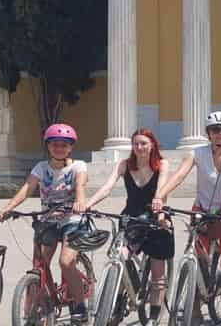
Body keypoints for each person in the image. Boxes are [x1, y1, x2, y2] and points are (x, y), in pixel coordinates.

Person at [0, 124, 89, 323]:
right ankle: (37, 306)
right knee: (39, 265)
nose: (59, 148)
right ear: (48, 146)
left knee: (65, 262)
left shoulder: (78, 166)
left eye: (64, 145)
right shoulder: (41, 168)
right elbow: (26, 188)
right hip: (48, 220)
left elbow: (80, 184)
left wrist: (80, 201)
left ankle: (80, 305)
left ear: (70, 148)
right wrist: (8, 207)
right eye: (55, 144)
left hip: (72, 220)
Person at [84, 129, 174, 324]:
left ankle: (155, 314)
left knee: (158, 271)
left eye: (144, 143)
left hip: (155, 217)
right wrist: (88, 204)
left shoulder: (162, 165)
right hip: (131, 218)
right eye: (136, 144)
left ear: (152, 146)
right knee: (121, 256)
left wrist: (159, 210)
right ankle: (117, 301)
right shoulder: (124, 165)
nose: (139, 147)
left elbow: (161, 191)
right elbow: (107, 188)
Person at [155, 111, 221, 296]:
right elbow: (179, 175)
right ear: (209, 133)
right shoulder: (197, 153)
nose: (219, 133)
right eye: (215, 129)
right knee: (197, 257)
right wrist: (160, 195)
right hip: (202, 210)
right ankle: (194, 307)